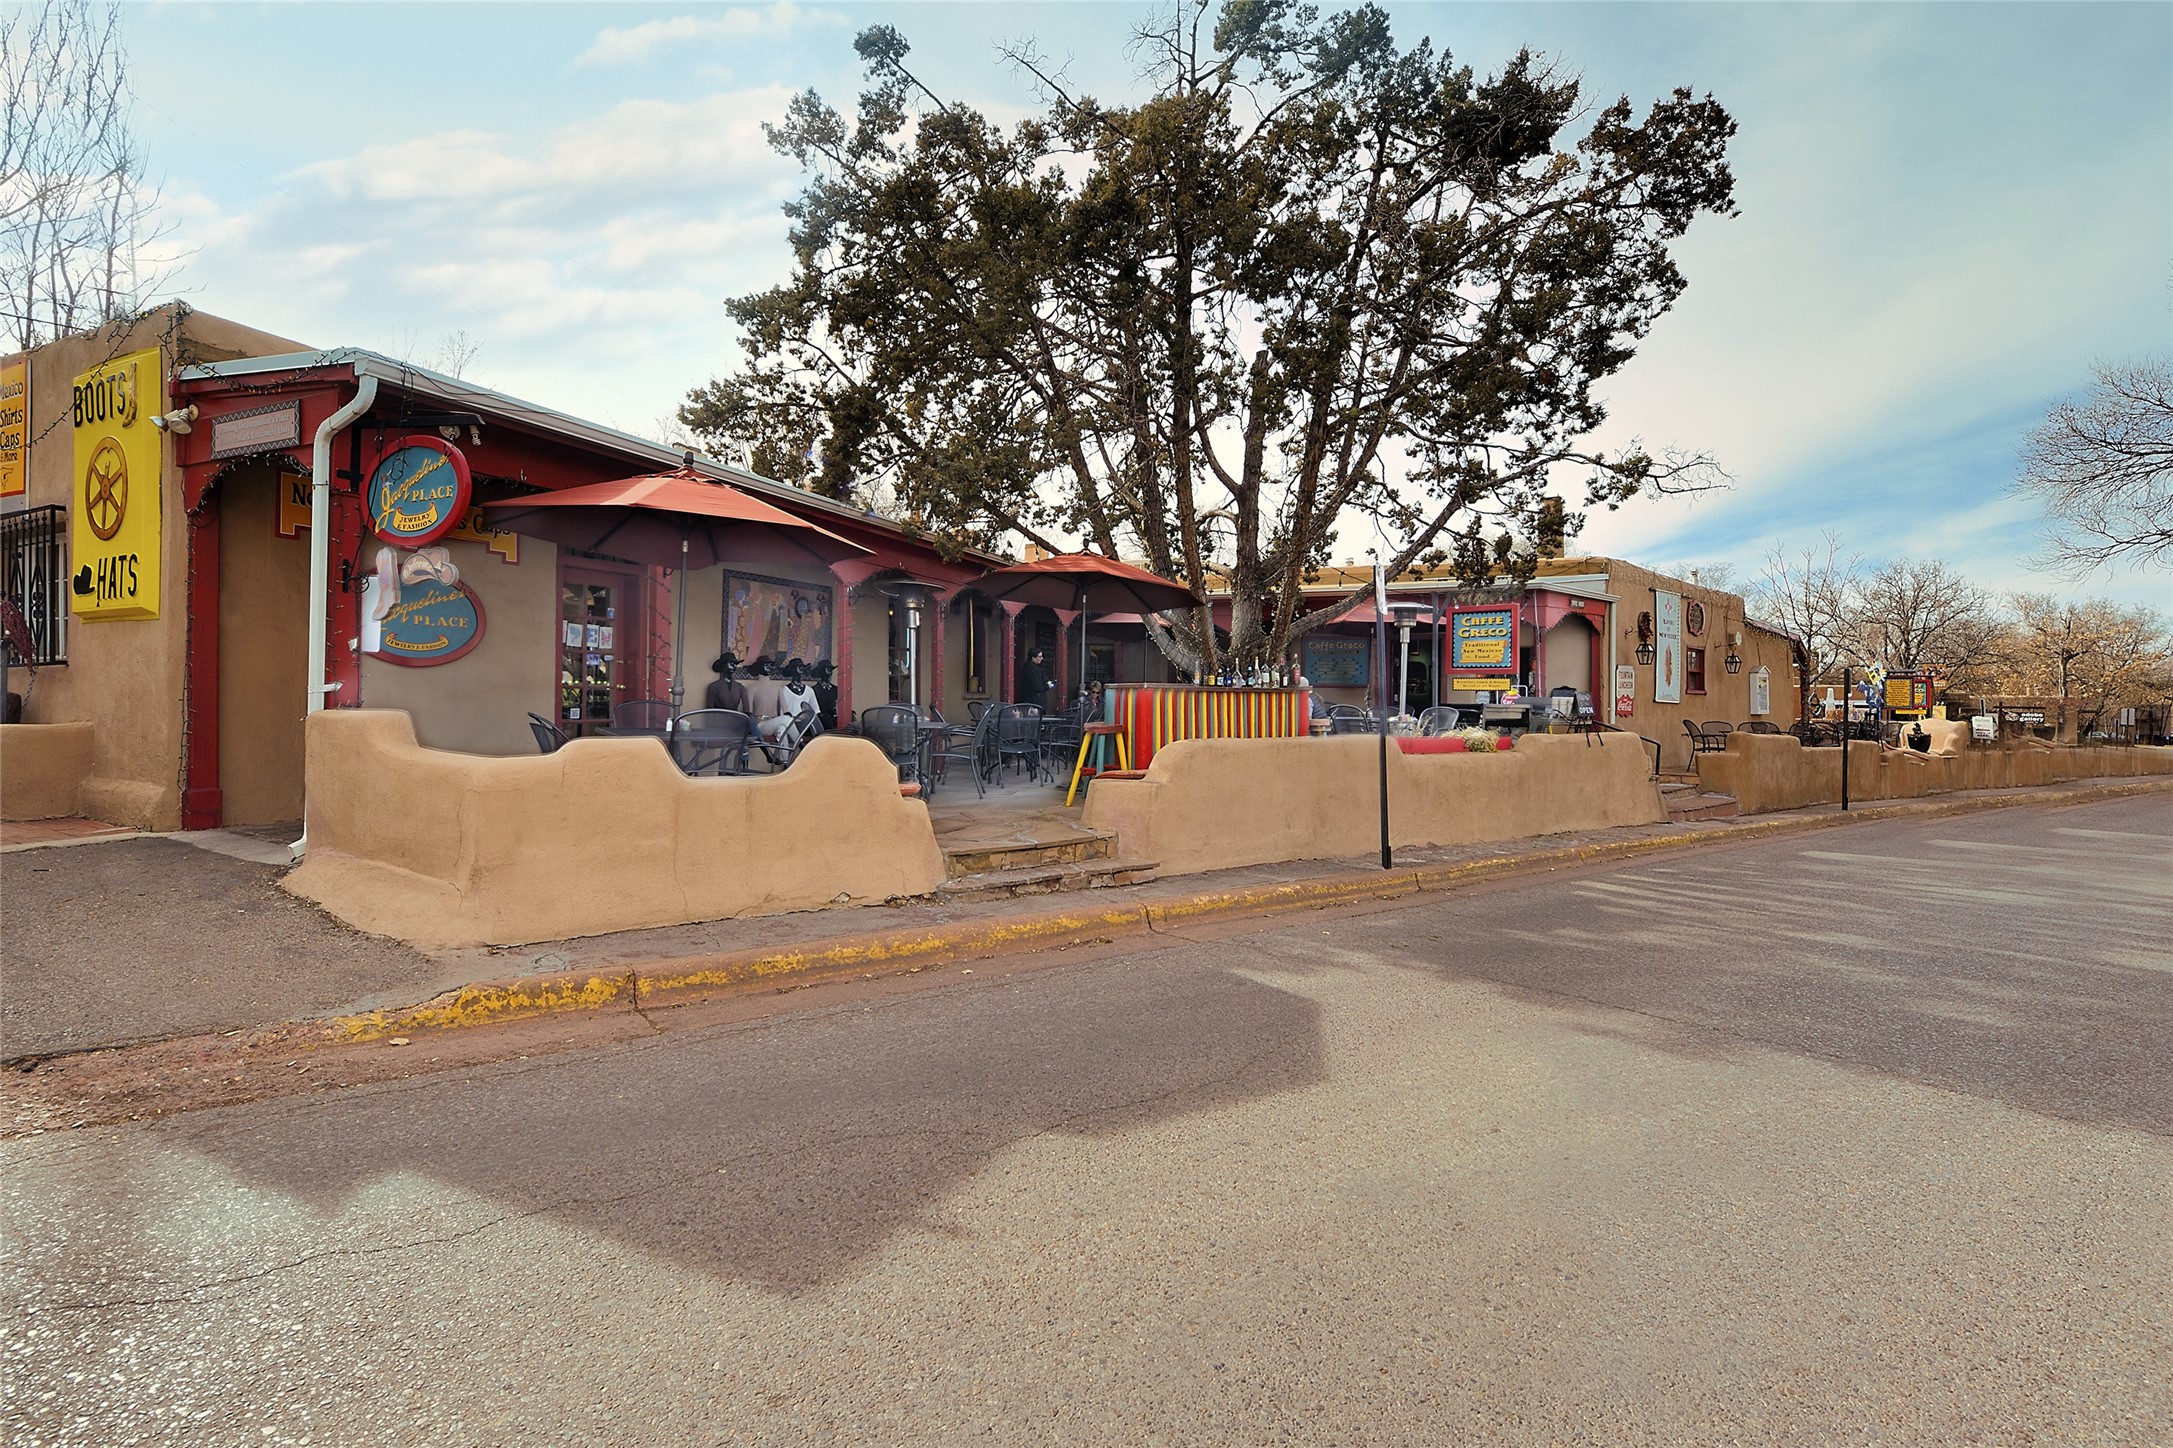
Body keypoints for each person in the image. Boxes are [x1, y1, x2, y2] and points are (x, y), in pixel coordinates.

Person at [1018, 647, 1056, 712]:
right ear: (1033, 657)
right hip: (1034, 701)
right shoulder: (1030, 668)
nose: (1042, 658)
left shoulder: (1035, 667)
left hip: (1035, 700)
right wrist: (1048, 685)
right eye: (1039, 657)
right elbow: (1037, 685)